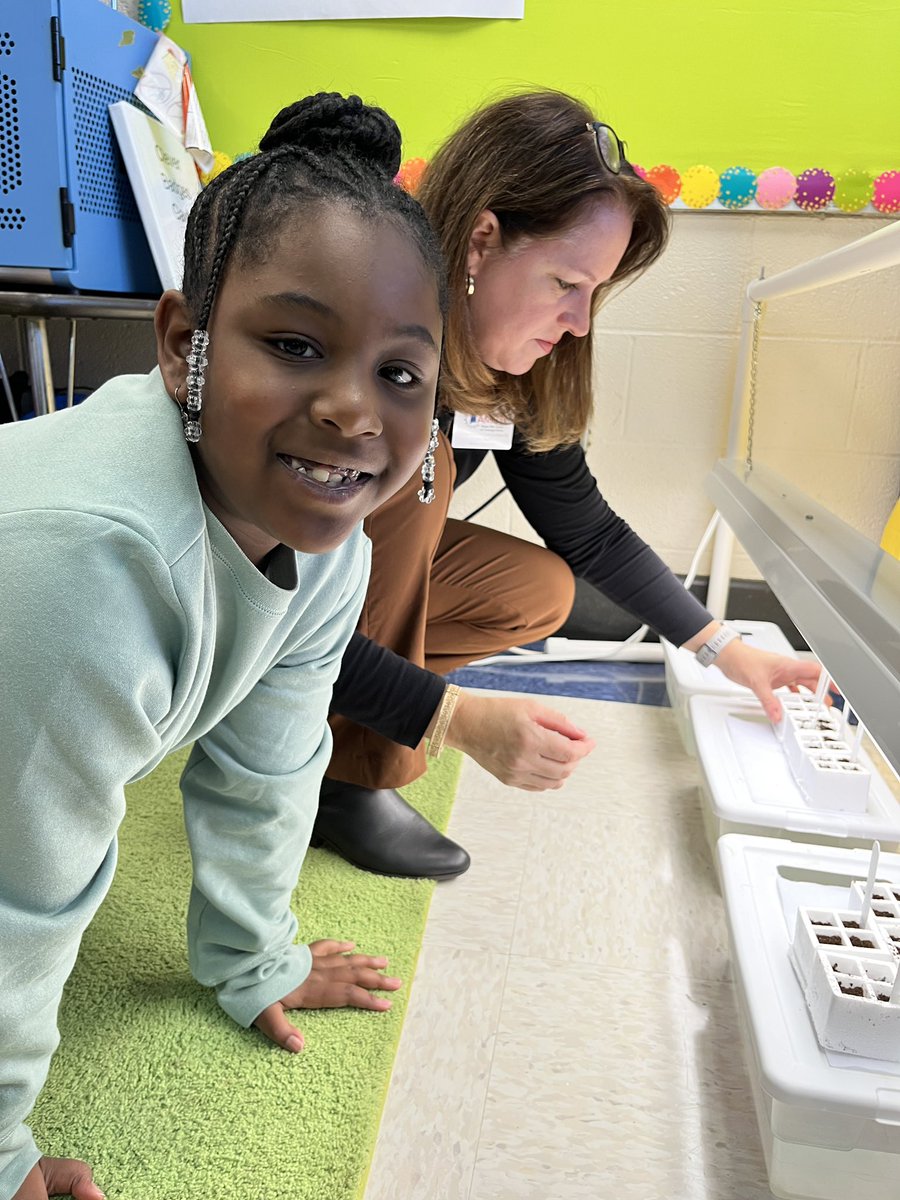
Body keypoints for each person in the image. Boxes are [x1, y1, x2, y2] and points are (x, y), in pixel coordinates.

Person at [0, 93, 446, 1200]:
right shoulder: (89, 562)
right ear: (181, 346)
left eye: (401, 372)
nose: (354, 411)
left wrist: (258, 961)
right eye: (294, 345)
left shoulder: (325, 538)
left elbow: (270, 763)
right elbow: (15, 888)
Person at [313, 89, 823, 880]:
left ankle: (342, 719)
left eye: (595, 293)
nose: (581, 323)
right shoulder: (364, 337)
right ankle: (343, 776)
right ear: (481, 241)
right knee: (427, 469)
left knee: (540, 589)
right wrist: (455, 718)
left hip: (335, 595)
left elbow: (588, 530)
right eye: (564, 283)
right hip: (248, 600)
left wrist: (725, 649)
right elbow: (271, 606)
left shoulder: (503, 362)